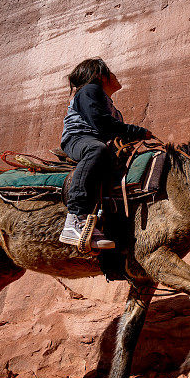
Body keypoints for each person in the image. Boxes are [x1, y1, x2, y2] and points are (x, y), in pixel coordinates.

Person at [58, 58, 151, 249]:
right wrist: (138, 131)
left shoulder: (111, 106)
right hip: (78, 138)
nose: (115, 75)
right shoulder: (89, 90)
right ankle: (74, 218)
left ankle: (99, 225)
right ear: (100, 76)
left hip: (96, 139)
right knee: (95, 149)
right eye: (111, 72)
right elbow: (102, 124)